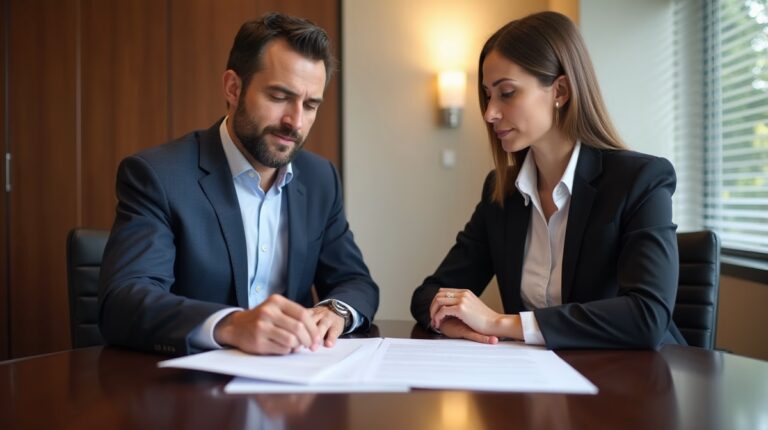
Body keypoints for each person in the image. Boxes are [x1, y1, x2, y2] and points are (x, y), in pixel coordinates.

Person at [98, 12, 378, 356]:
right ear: (233, 88)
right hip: (190, 391)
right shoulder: (158, 175)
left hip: (293, 384)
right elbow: (124, 301)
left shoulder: (321, 179)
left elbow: (356, 282)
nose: (295, 122)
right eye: (279, 97)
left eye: (310, 105)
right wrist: (229, 324)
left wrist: (335, 311)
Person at [411, 11, 685, 349]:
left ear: (560, 91)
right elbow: (428, 295)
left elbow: (648, 316)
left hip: (636, 384)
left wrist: (500, 322)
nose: (489, 113)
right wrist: (452, 321)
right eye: (487, 95)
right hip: (540, 383)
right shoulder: (502, 193)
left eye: (506, 93)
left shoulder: (639, 180)